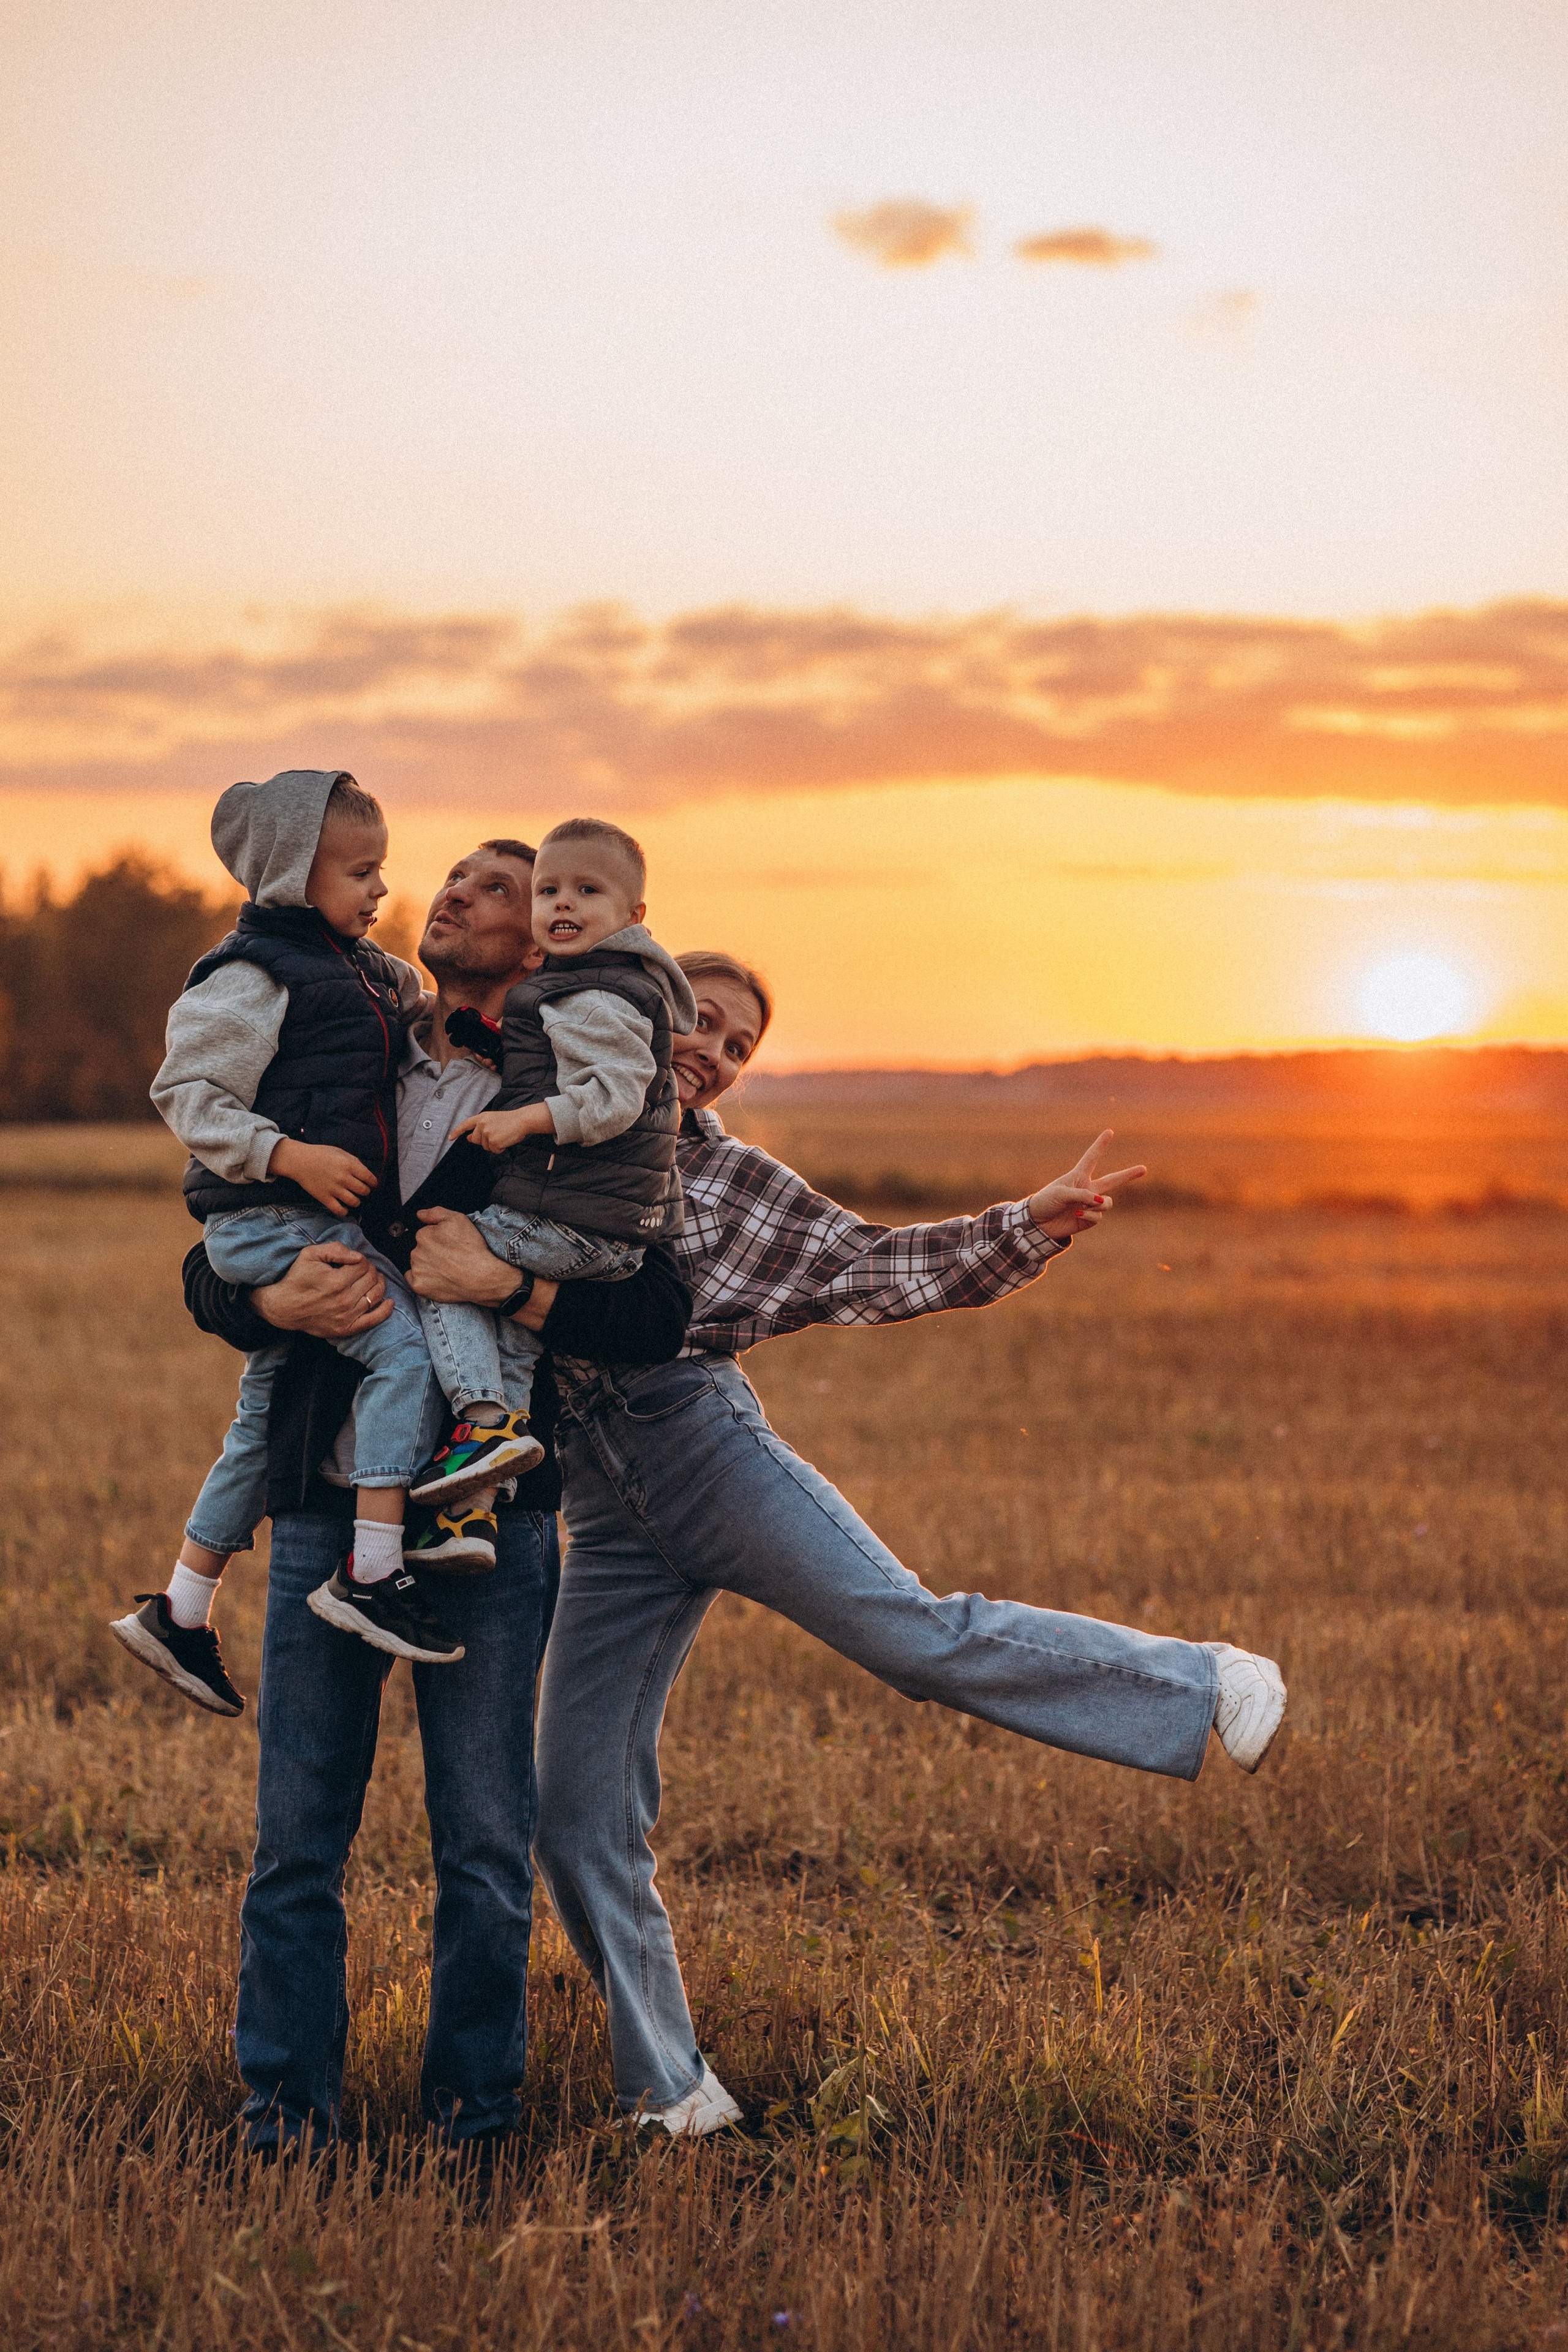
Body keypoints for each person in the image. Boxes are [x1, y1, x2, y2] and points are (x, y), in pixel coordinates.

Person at [408, 950, 1287, 2135]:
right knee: (576, 1814)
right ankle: (671, 2090)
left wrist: (1024, 1225)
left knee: (911, 1635)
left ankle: (1204, 1680)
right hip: (604, 1509)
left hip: (701, 1448)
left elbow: (870, 1265)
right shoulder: (541, 1140)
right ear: (647, 1011)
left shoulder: (730, 1181)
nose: (716, 1054)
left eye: (740, 1047)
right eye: (704, 1022)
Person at [178, 839, 691, 2157]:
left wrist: (508, 1287)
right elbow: (213, 1253)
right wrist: (264, 1301)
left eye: (493, 887)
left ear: (549, 940)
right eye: (451, 877)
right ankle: (285, 2124)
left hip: (487, 1522)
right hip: (320, 1503)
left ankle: (475, 2127)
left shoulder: (589, 1094)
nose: (453, 894)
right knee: (297, 1845)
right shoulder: (348, 1053)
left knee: (481, 1845)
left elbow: (657, 1306)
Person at [117, 767, 486, 1707]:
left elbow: (407, 1031)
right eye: (361, 872)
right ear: (292, 875)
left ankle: (181, 1608)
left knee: (261, 1420)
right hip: (272, 1217)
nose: (383, 889)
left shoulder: (369, 971)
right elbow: (186, 1093)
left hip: (300, 1221)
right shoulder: (252, 975)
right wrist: (289, 1156)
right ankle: (372, 1569)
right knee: (408, 1353)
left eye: (382, 869)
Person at [409, 818, 698, 1545]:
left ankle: (482, 1425)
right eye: (548, 891)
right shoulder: (365, 1051)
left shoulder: (593, 996)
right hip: (334, 1483)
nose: (457, 894)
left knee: (440, 1259)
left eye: (496, 888)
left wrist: (524, 1122)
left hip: (580, 1227)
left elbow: (612, 1094)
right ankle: (473, 1500)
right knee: (509, 1338)